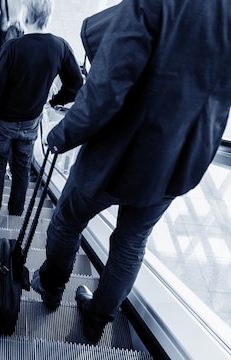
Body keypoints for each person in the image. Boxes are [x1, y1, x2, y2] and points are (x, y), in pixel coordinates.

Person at [31, 0, 231, 344]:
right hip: (179, 159)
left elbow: (106, 87)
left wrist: (64, 133)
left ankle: (51, 285)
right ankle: (93, 327)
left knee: (68, 218)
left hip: (118, 151)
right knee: (131, 243)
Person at [0, 0, 82, 216]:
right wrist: (54, 101)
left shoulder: (13, 47)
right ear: (47, 17)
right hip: (31, 123)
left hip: (4, 123)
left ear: (26, 17)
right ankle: (16, 210)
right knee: (22, 167)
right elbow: (75, 83)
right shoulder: (60, 46)